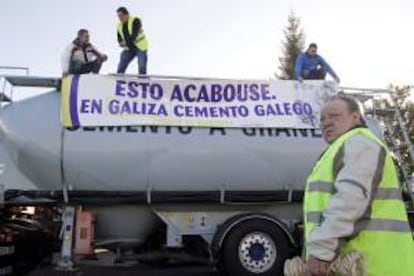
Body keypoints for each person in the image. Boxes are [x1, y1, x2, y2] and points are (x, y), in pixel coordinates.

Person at [303, 94, 414, 276]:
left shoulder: (359, 143)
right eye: (322, 118)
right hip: (364, 264)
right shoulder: (343, 147)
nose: (326, 123)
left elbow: (350, 200)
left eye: (334, 116)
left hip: (373, 265)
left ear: (355, 117)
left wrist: (322, 250)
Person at [116, 7, 148, 75]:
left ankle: (142, 81)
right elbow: (119, 37)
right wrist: (121, 42)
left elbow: (134, 35)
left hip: (140, 47)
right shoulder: (119, 25)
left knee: (142, 67)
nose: (120, 18)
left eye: (121, 15)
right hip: (129, 48)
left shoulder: (136, 20)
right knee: (121, 65)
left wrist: (126, 42)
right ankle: (119, 80)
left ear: (127, 14)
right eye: (118, 16)